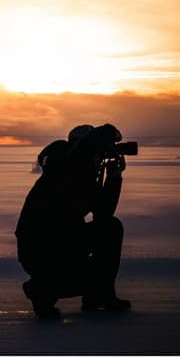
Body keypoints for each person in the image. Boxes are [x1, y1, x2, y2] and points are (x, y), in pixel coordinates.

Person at [15, 123, 132, 320]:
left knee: (110, 228)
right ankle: (41, 290)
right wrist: (107, 134)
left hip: (63, 242)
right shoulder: (63, 165)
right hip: (41, 249)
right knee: (85, 268)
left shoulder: (82, 176)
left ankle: (97, 296)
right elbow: (79, 154)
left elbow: (103, 214)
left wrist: (114, 178)